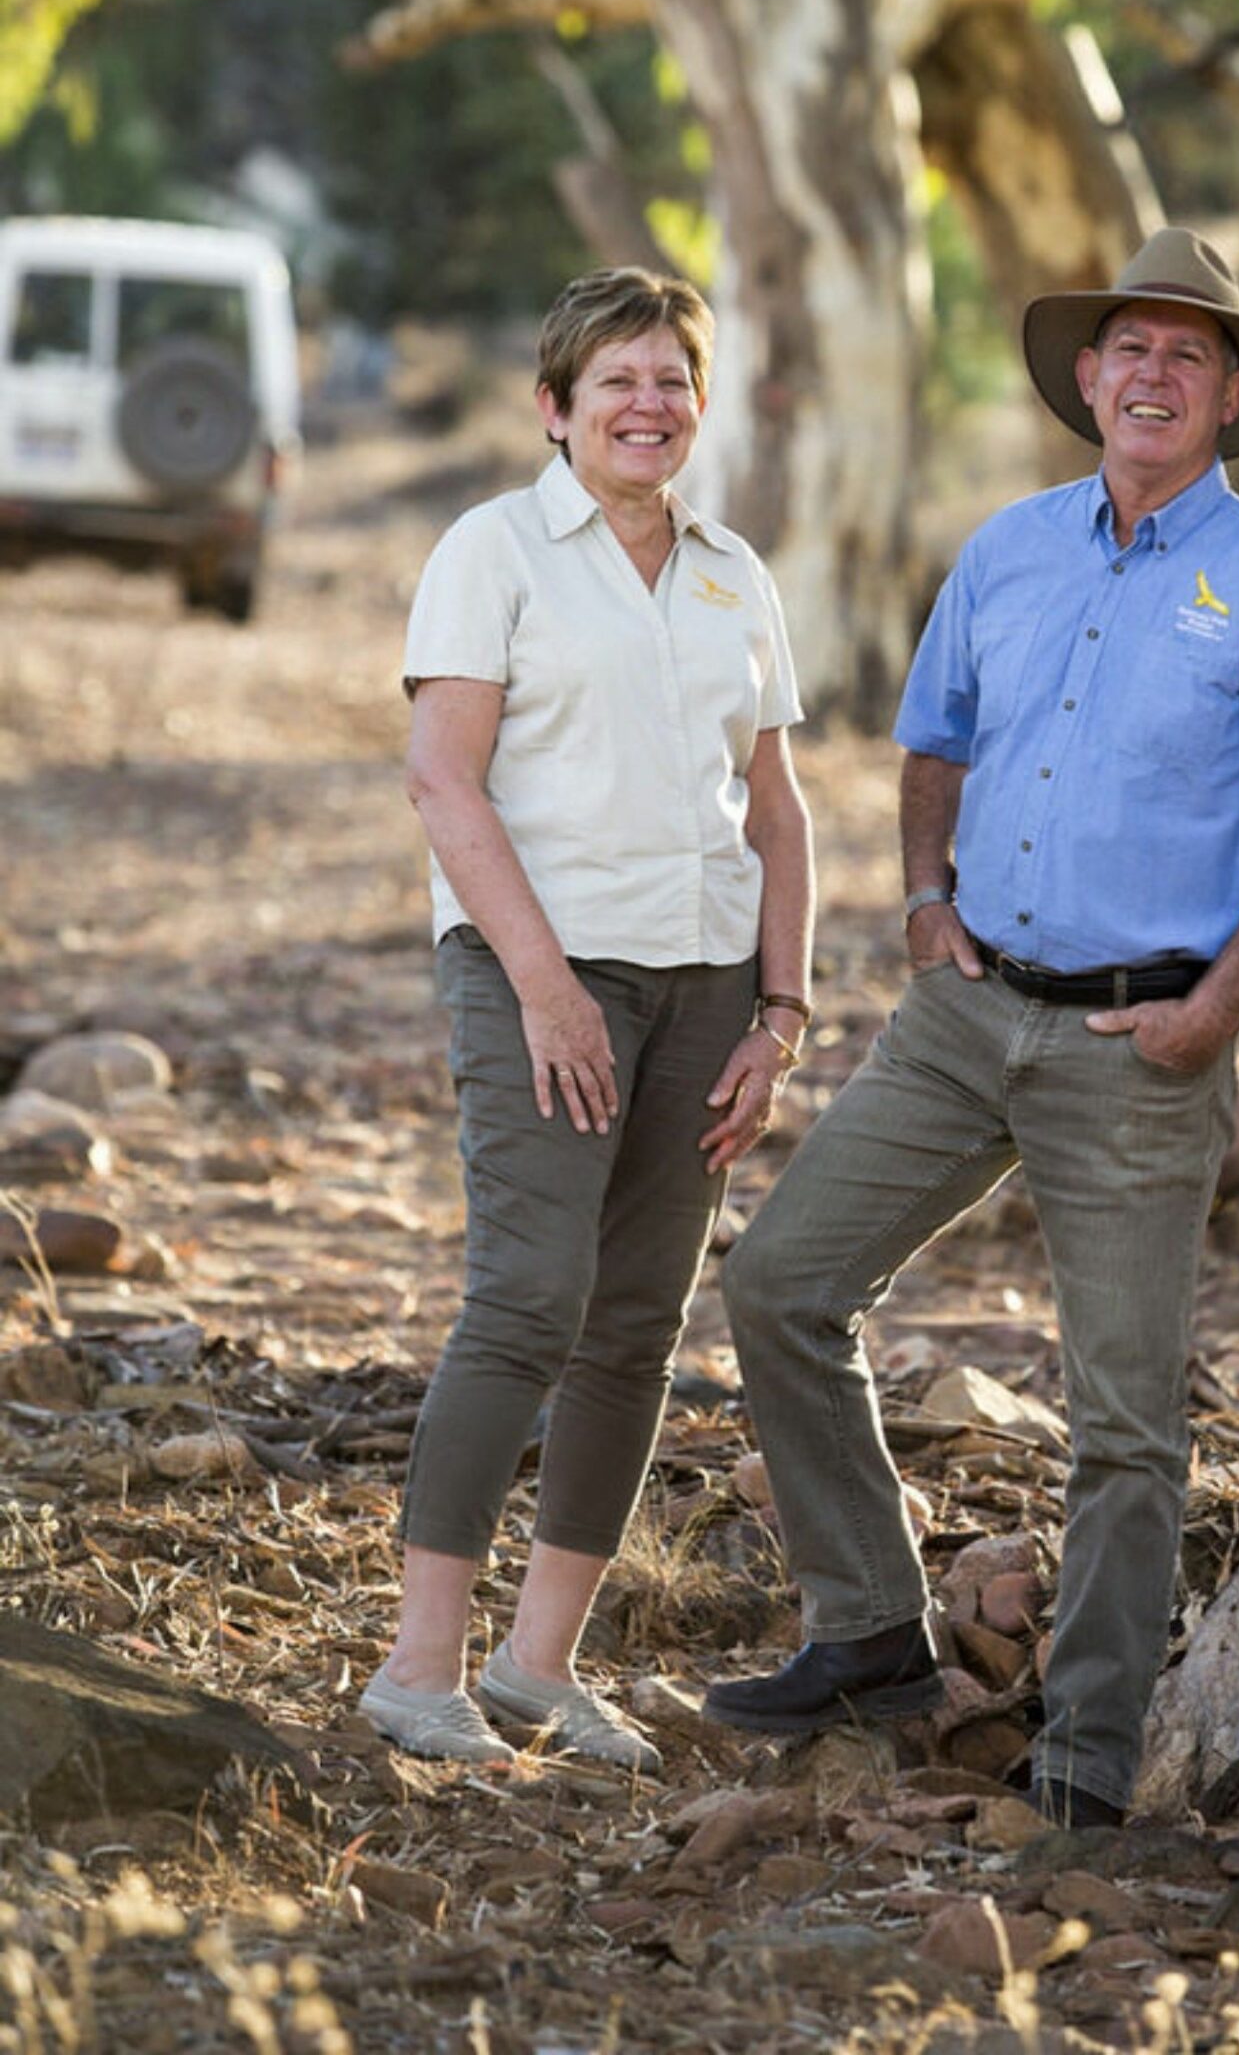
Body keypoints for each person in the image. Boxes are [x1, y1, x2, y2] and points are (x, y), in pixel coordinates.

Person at [705, 227, 1239, 1826]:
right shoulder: (1009, 550)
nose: (1149, 374)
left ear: (1231, 394)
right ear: (1085, 379)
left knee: (1127, 1426)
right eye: (1125, 349)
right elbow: (933, 739)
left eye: (1184, 355)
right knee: (781, 1285)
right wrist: (925, 901)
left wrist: (1211, 1017)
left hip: (1135, 1057)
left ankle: (1084, 1760)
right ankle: (870, 1633)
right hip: (960, 1019)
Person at [360, 266, 813, 1767]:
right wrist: (545, 989)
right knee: (528, 1297)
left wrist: (781, 1010)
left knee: (631, 1332)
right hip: (536, 969)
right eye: (616, 380)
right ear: (554, 409)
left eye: (672, 379)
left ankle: (537, 1669)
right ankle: (417, 1670)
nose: (648, 405)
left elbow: (776, 809)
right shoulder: (490, 553)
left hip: (703, 986)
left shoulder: (735, 573)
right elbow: (443, 780)